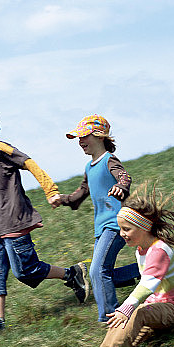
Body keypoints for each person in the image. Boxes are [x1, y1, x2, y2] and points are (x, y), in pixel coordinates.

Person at [0, 110, 90, 341]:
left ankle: (72, 274)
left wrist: (51, 190)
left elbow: (29, 163)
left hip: (14, 222)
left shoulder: (0, 148)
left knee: (25, 271)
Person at [76, 185, 174, 347]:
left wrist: (127, 307)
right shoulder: (141, 250)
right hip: (158, 304)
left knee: (136, 312)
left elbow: (148, 283)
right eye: (120, 229)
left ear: (144, 227)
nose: (121, 234)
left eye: (126, 229)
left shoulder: (159, 250)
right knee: (131, 331)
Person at [58, 114, 140, 322]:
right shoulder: (89, 167)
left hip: (116, 225)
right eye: (78, 138)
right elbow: (80, 194)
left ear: (100, 136)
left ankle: (109, 317)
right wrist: (64, 199)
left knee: (97, 271)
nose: (80, 142)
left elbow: (124, 176)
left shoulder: (109, 160)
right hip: (101, 228)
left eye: (84, 137)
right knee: (101, 276)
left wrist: (121, 187)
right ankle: (146, 270)